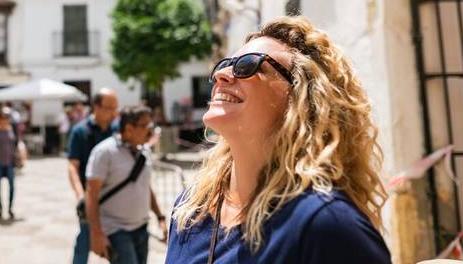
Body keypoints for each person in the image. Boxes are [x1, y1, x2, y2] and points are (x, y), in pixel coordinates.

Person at [165, 17, 391, 263]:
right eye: (224, 64)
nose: (221, 74)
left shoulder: (325, 225)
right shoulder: (189, 210)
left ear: (301, 96)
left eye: (247, 65)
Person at [86, 105, 167, 264]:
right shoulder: (104, 152)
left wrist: (160, 217)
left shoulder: (144, 151)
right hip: (115, 229)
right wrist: (96, 234)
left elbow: (145, 187)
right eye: (145, 126)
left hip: (142, 228)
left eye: (151, 125)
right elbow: (91, 194)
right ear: (129, 128)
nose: (150, 131)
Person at [68, 88, 119, 264]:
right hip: (92, 198)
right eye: (109, 108)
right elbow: (72, 166)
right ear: (96, 107)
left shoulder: (118, 130)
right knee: (85, 241)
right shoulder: (79, 131)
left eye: (115, 108)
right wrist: (80, 195)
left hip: (115, 197)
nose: (114, 112)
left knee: (118, 244)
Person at [0, 107, 17, 221]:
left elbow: (17, 144)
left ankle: (10, 208)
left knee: (11, 187)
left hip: (10, 163)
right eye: (2, 118)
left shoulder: (12, 130)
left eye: (6, 118)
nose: (4, 120)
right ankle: (0, 209)